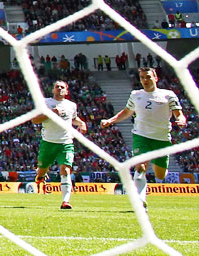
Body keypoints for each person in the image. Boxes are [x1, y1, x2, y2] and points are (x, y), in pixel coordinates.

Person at [100, 67, 186, 211]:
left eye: (148, 77)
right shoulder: (136, 95)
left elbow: (179, 113)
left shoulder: (168, 95)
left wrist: (181, 120)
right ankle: (140, 201)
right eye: (142, 77)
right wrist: (111, 120)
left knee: (160, 174)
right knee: (140, 167)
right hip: (141, 136)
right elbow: (127, 112)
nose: (145, 80)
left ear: (155, 78)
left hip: (161, 138)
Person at [31, 80, 87, 209]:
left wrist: (82, 123)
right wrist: (52, 113)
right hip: (48, 142)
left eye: (62, 87)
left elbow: (73, 119)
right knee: (42, 170)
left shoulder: (71, 105)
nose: (60, 89)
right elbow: (35, 120)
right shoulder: (45, 103)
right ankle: (40, 176)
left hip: (66, 142)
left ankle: (65, 201)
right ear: (53, 90)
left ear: (66, 91)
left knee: (66, 169)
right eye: (57, 87)